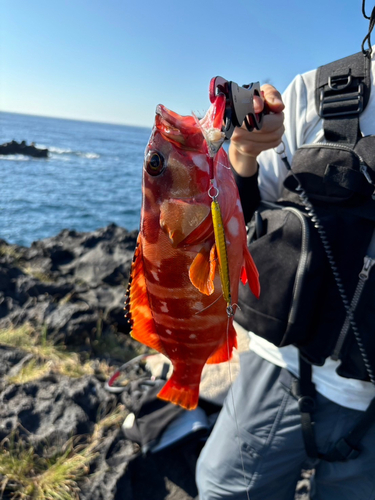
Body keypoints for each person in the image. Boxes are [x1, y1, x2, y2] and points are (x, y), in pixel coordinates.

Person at [196, 25, 375, 500]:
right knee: (222, 490)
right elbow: (239, 223)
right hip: (280, 367)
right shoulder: (312, 92)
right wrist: (243, 151)